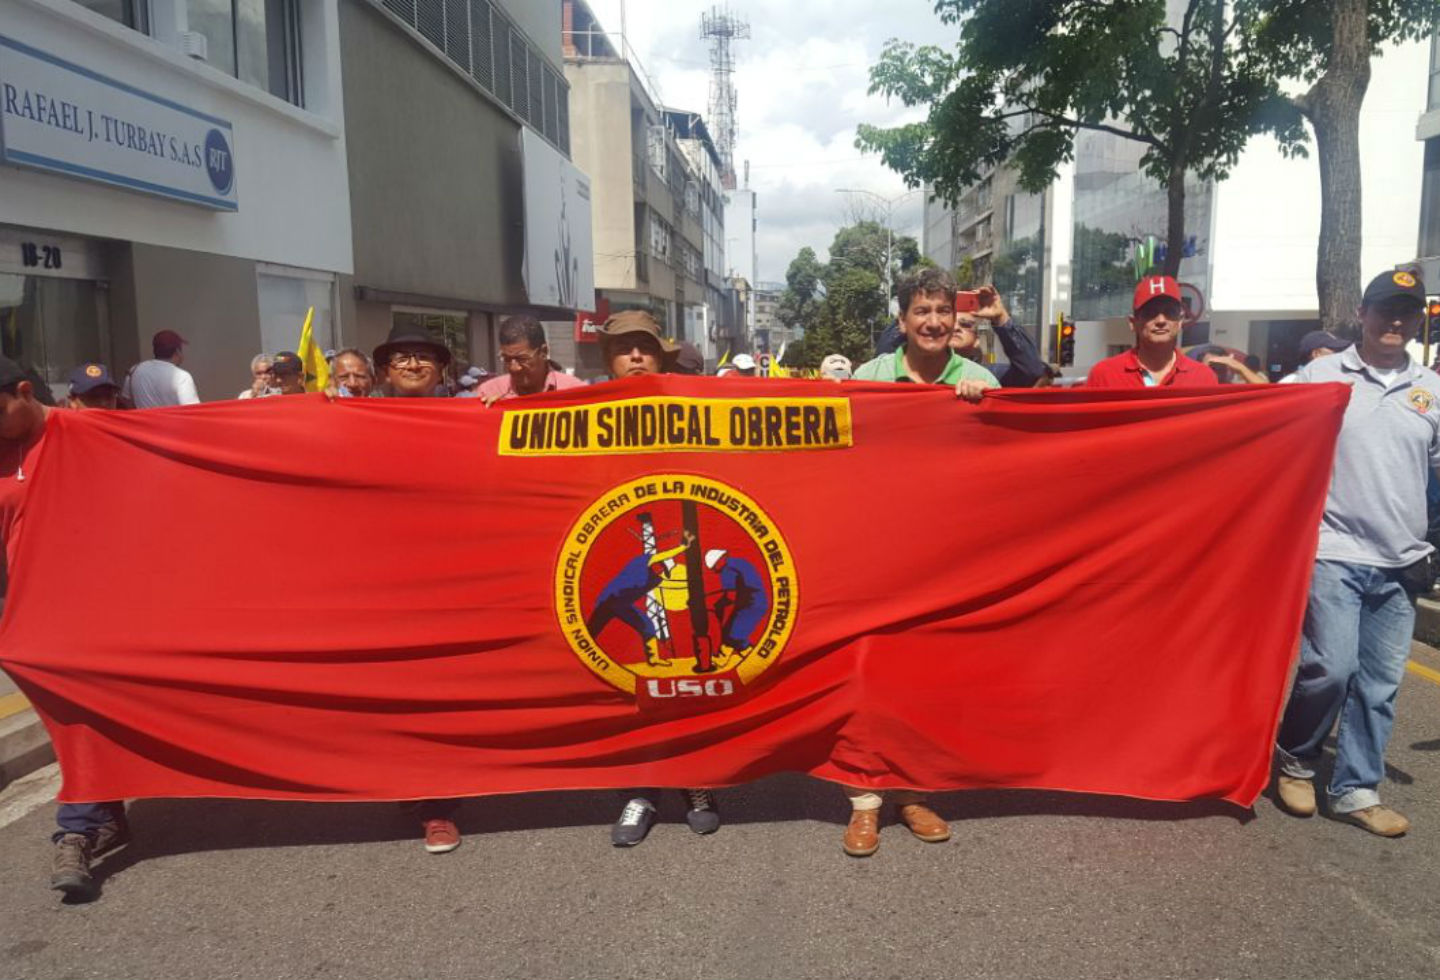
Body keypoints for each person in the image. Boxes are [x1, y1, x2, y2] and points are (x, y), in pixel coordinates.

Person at [1273, 269, 1437, 838]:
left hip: (1402, 560)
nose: (1396, 321)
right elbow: (1258, 426)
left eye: (1407, 312)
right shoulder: (1320, 376)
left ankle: (1354, 789)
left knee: (1379, 683)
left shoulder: (1432, 390)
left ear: (1419, 321)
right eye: (1385, 309)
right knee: (1330, 667)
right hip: (1333, 551)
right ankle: (1295, 757)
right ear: (1362, 316)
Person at [588, 311, 717, 845]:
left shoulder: (698, 405)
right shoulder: (576, 411)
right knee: (625, 688)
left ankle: (696, 781)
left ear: (661, 355)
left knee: (684, 681)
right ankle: (639, 793)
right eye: (624, 348)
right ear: (608, 359)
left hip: (680, 551)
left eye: (645, 346)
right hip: (609, 555)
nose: (636, 356)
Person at [0, 358, 127, 900]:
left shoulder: (91, 433)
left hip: (105, 604)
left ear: (24, 393)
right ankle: (103, 804)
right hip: (33, 613)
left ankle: (77, 828)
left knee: (84, 710)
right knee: (74, 712)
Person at [852, 267, 999, 404]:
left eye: (943, 311)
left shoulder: (983, 381)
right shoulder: (868, 378)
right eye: (922, 312)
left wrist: (990, 403)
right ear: (902, 321)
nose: (934, 323)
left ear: (953, 318)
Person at [1084, 277, 1219, 389]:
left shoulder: (1203, 378)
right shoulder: (1104, 375)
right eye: (1150, 312)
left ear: (1180, 322)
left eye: (1169, 312)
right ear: (1133, 322)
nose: (1161, 320)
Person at [478, 316, 585, 405]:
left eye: (522, 359)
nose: (514, 368)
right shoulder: (489, 392)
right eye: (507, 359)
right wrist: (487, 415)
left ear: (544, 351)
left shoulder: (575, 393)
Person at [703, 548, 768, 670]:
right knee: (735, 634)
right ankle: (745, 653)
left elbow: (730, 597)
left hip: (751, 605)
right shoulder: (738, 562)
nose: (714, 571)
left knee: (732, 634)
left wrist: (720, 613)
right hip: (757, 601)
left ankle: (729, 657)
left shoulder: (727, 570)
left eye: (713, 569)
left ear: (717, 563)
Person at [121, 330, 200, 407]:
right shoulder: (182, 377)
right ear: (177, 351)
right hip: (170, 420)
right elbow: (192, 410)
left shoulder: (135, 370)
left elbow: (126, 400)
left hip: (143, 420)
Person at [372, 325, 452, 398]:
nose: (413, 366)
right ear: (386, 373)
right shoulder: (367, 413)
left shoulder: (460, 412)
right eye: (402, 359)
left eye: (423, 357)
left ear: (440, 372)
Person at [1278, 331, 1350, 383]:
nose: (1340, 354)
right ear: (1316, 354)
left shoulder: (1330, 379)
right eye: (1335, 349)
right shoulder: (1292, 382)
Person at [1185, 345, 1270, 384]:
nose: (1216, 373)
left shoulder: (1231, 387)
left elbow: (1267, 392)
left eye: (1221, 367)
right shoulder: (1192, 387)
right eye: (1213, 367)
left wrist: (1240, 367)